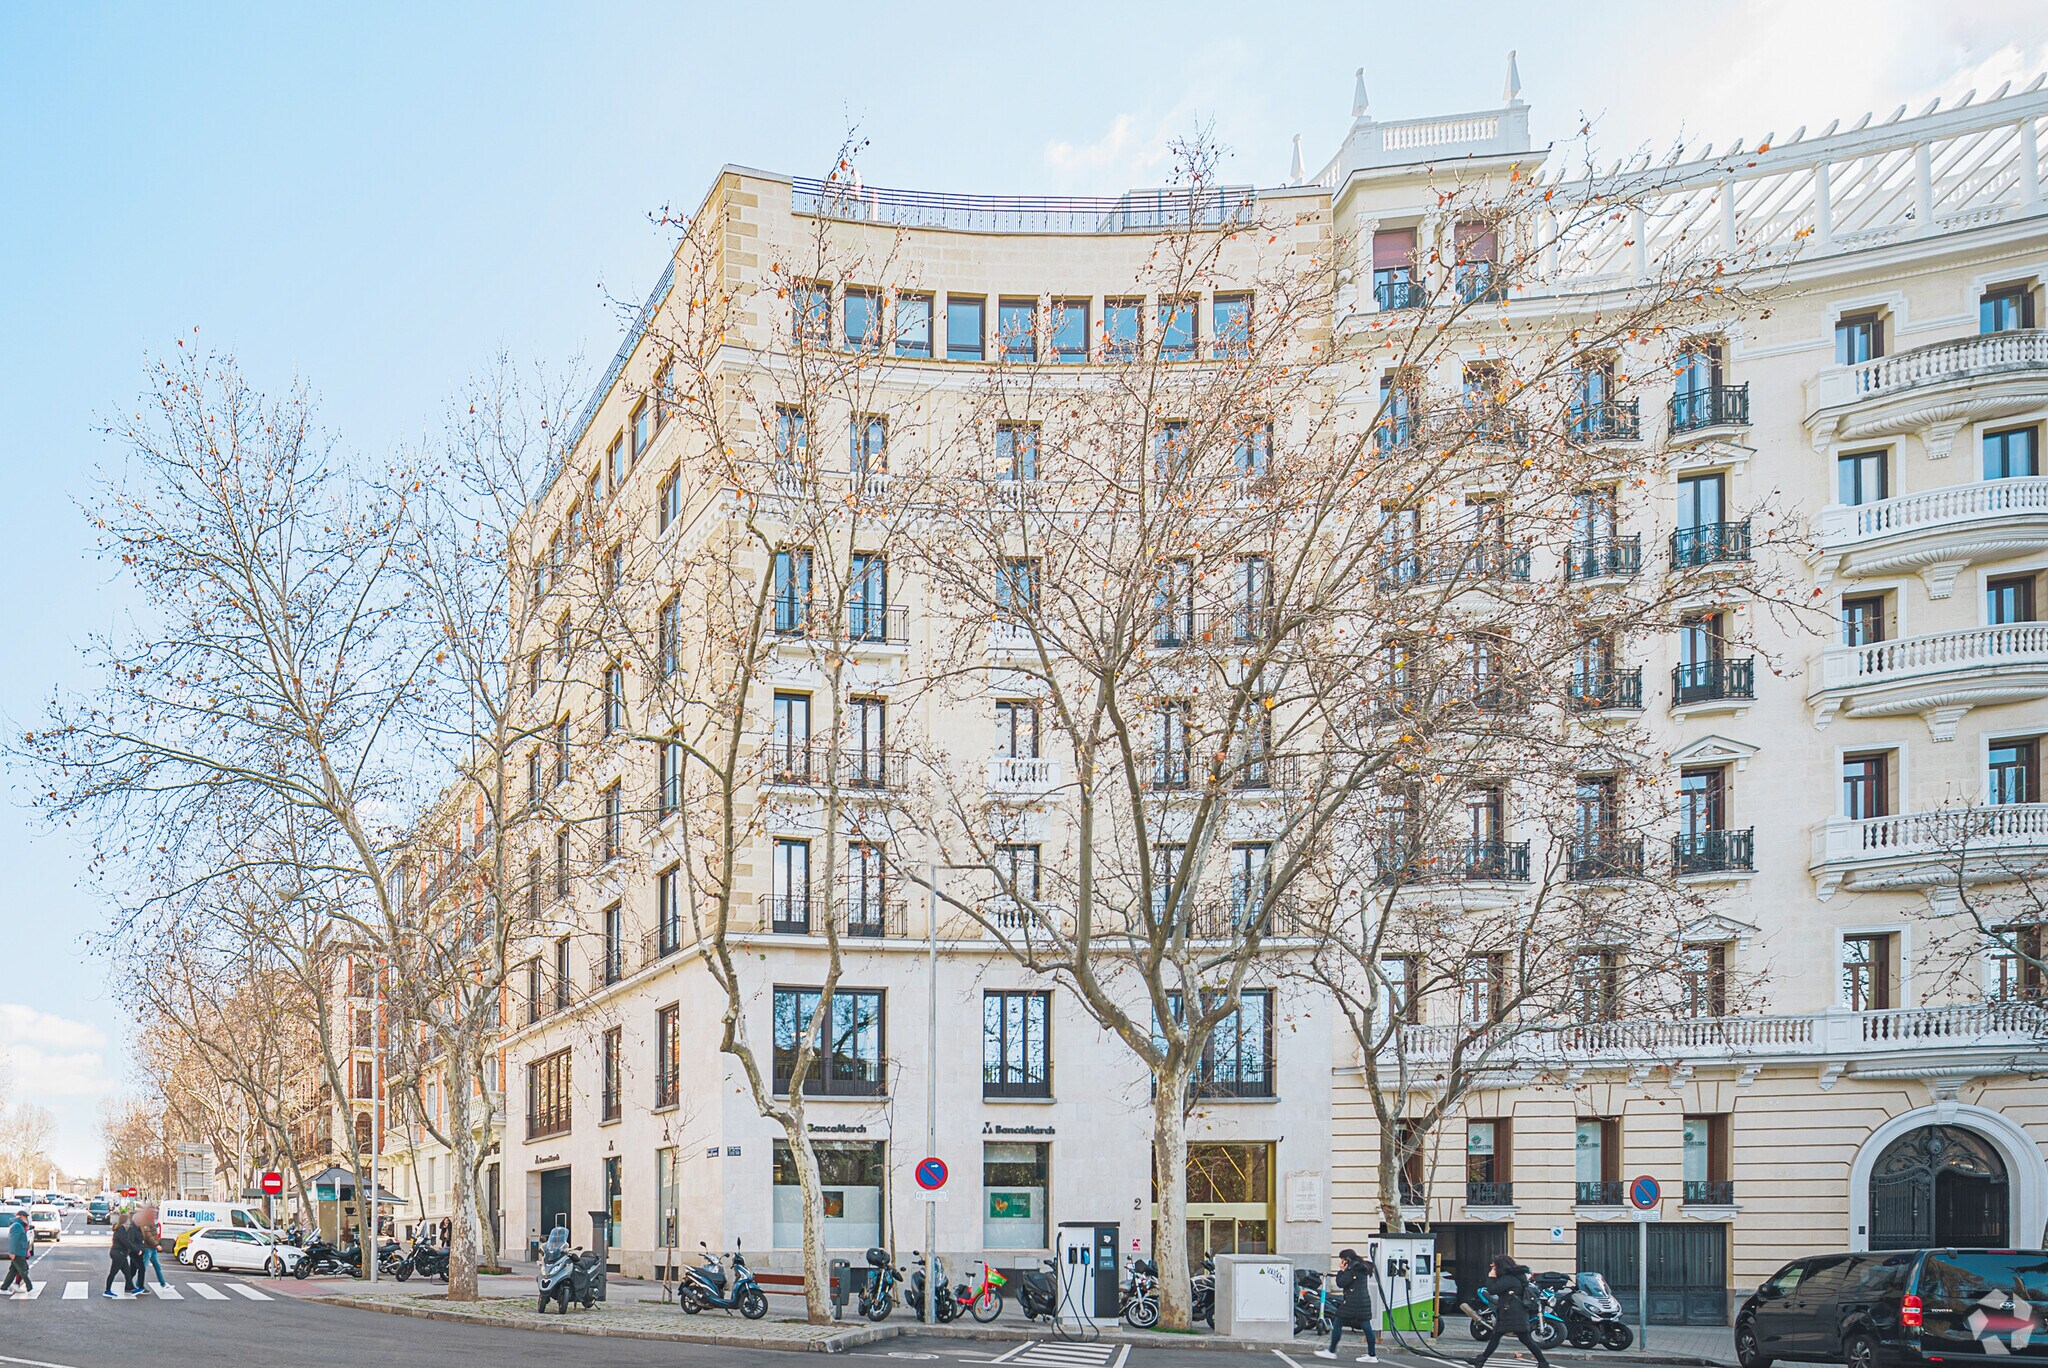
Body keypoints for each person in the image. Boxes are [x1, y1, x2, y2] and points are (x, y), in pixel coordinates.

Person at [1472, 1256, 1552, 1368]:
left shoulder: (1509, 1278)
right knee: (1516, 1337)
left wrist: (1490, 1277)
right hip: (1515, 1311)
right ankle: (1481, 1360)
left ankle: (1481, 1360)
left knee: (1508, 1337)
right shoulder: (1517, 1276)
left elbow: (1493, 1289)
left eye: (1494, 1264)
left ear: (1500, 1265)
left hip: (1511, 1312)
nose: (1492, 1266)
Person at [1315, 1248, 1379, 1362]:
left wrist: (1341, 1270)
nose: (1341, 1262)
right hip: (1363, 1302)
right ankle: (1372, 1355)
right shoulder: (1360, 1266)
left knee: (1338, 1322)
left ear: (1346, 1259)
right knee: (1367, 1327)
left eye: (1342, 1259)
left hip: (1353, 1302)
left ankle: (1331, 1351)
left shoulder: (1352, 1269)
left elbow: (1341, 1283)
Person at [104, 1210, 141, 1297]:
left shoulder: (121, 1229)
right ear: (125, 1221)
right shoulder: (120, 1229)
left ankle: (130, 1288)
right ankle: (107, 1290)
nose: (129, 1221)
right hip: (118, 1254)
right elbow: (126, 1242)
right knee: (113, 1272)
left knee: (127, 1272)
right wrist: (136, 1250)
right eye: (128, 1220)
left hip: (121, 1254)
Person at [136, 1205, 168, 1289]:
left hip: (152, 1248)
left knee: (157, 1266)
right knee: (144, 1267)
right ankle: (138, 1283)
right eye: (153, 1213)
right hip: (148, 1248)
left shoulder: (150, 1221)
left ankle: (163, 1284)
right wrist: (156, 1244)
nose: (155, 1214)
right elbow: (148, 1235)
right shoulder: (145, 1221)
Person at [1, 1209, 32, 1296]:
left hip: (19, 1251)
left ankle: (5, 1287)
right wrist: (12, 1252)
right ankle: (29, 1286)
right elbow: (13, 1240)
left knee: (13, 1271)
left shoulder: (18, 1225)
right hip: (18, 1252)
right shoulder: (17, 1226)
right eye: (25, 1217)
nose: (26, 1219)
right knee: (23, 1270)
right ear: (21, 1217)